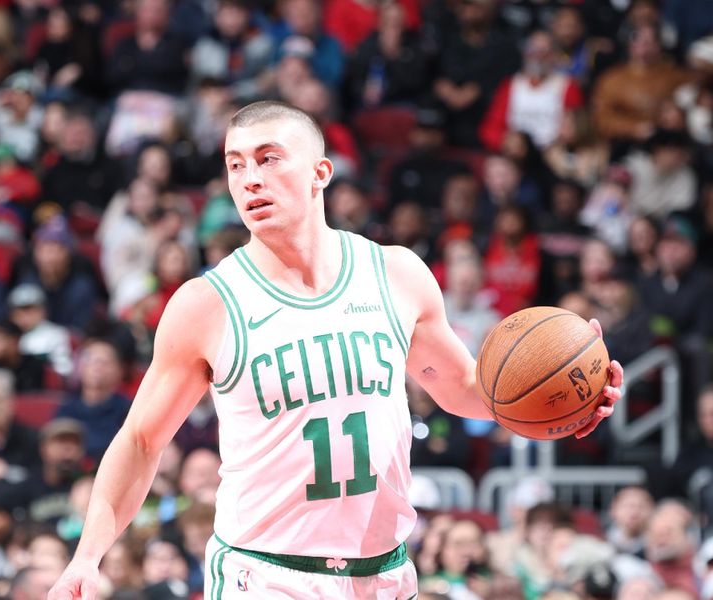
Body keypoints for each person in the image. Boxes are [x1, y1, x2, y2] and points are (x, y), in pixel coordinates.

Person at [48, 101, 623, 599]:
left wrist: (565, 401)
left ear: (321, 172)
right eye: (235, 165)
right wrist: (87, 554)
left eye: (269, 158)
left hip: (385, 572)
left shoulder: (396, 274)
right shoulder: (207, 304)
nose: (250, 178)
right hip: (267, 574)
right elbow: (143, 441)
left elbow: (469, 390)